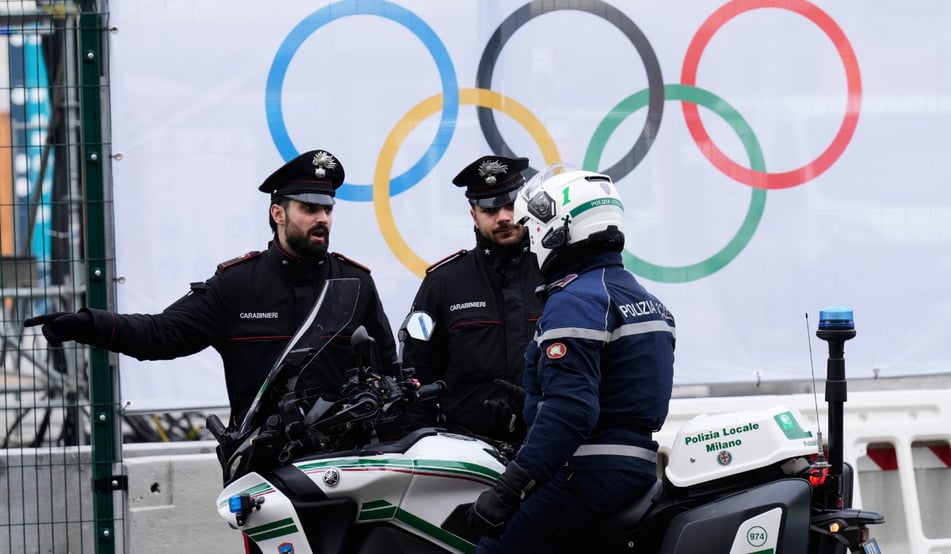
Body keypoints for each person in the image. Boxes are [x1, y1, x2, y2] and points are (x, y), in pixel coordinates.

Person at [24, 149, 399, 430]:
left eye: (327, 209)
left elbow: (391, 372)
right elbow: (161, 335)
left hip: (348, 461)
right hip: (267, 466)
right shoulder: (237, 285)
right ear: (278, 214)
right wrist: (86, 325)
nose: (322, 219)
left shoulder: (355, 284)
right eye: (309, 208)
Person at [466, 163, 676, 553]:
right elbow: (618, 390)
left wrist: (508, 489)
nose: (530, 242)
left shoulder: (576, 301)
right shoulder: (646, 300)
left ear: (557, 227)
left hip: (587, 472)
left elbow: (572, 412)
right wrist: (530, 400)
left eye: (533, 229)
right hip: (635, 468)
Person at [399, 155, 545, 446]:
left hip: (548, 447)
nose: (503, 217)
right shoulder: (444, 283)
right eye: (490, 208)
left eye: (509, 205)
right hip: (466, 453)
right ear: (473, 215)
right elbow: (416, 376)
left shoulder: (555, 274)